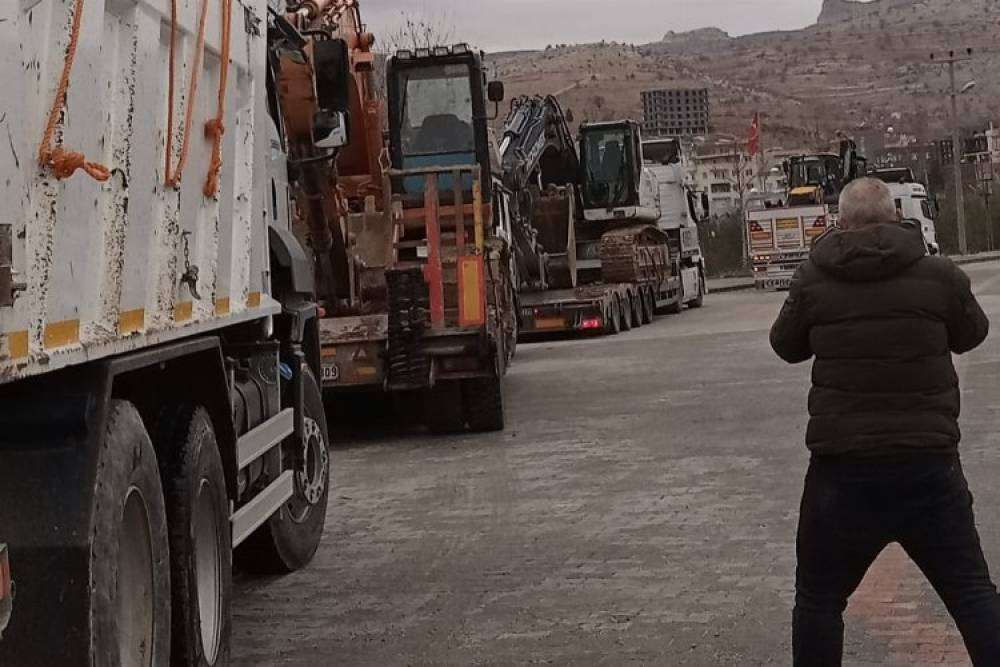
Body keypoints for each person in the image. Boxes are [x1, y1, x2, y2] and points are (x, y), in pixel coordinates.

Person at [770, 177, 1000, 665]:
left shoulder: (813, 278)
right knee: (973, 595)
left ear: (840, 222)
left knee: (818, 600)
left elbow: (785, 346)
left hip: (842, 475)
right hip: (928, 468)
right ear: (897, 218)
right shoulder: (940, 276)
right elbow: (973, 334)